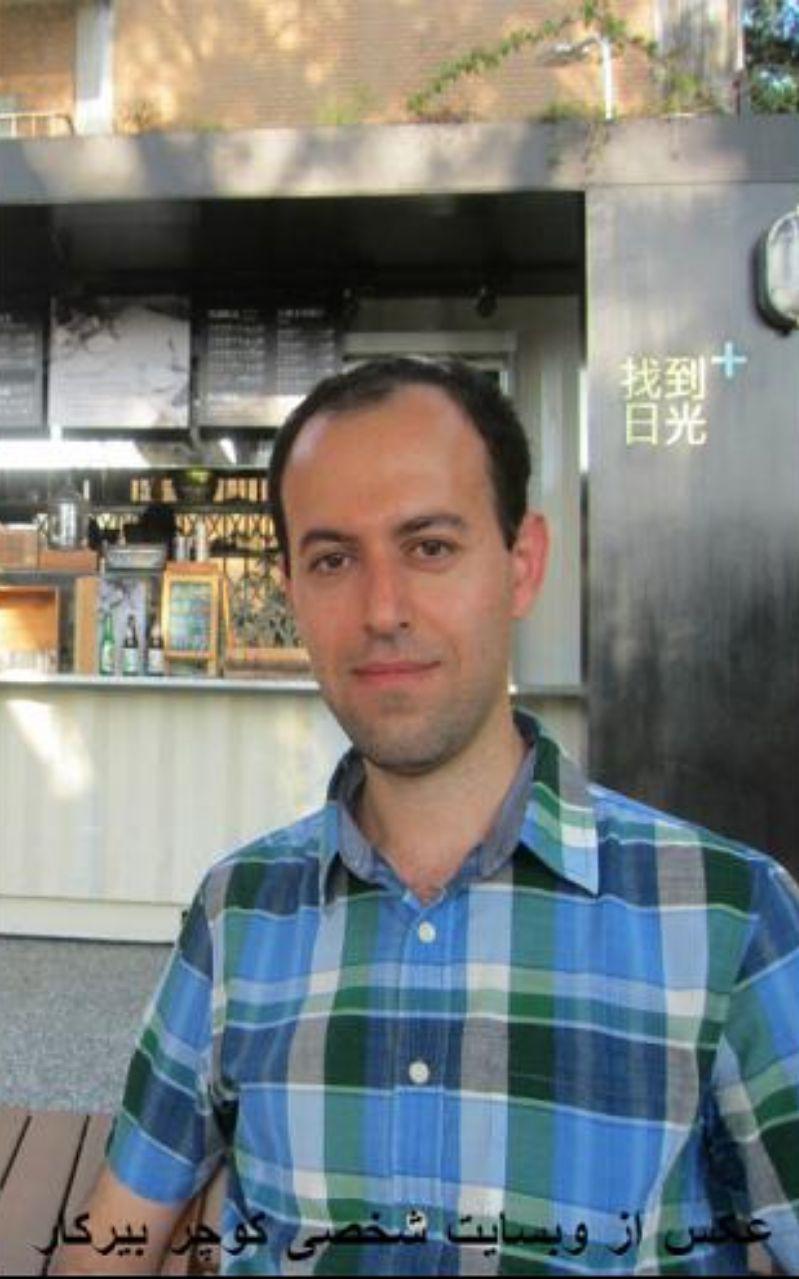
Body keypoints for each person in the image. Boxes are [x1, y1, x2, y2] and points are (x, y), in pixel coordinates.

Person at [55, 358, 799, 1276]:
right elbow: (111, 1242)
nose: (382, 609)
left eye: (430, 547)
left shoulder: (729, 916)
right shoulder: (237, 913)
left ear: (521, 565)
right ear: (291, 589)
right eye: (333, 559)